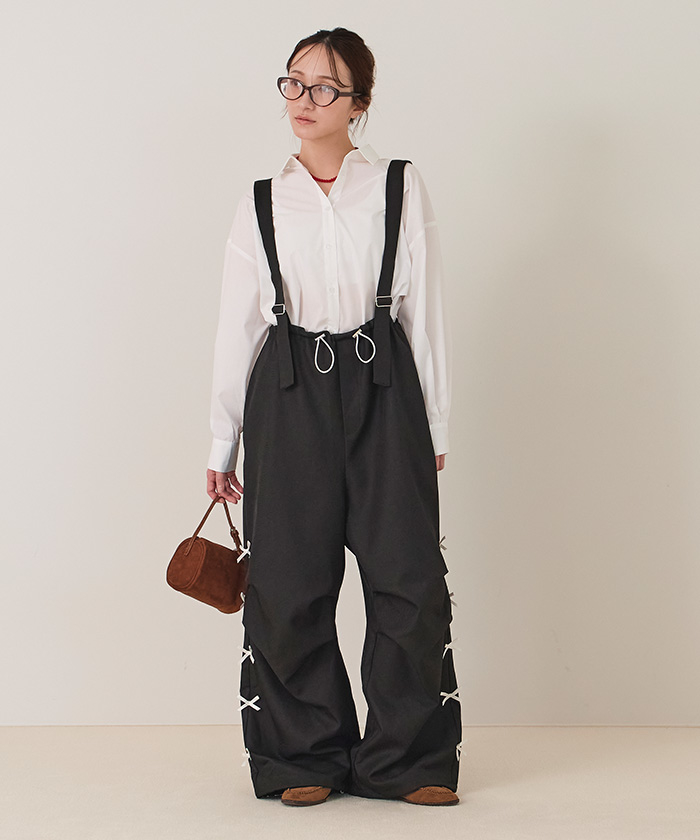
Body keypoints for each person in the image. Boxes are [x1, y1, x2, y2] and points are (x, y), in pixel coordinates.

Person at [205, 27, 461, 807]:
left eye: (324, 87)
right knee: (288, 583)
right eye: (294, 82)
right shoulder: (261, 200)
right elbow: (237, 326)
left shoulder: (398, 186)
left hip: (386, 389)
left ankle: (407, 761)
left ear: (359, 101)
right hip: (286, 393)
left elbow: (426, 313)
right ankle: (303, 758)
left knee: (408, 580)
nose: (304, 100)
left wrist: (435, 429)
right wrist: (221, 442)